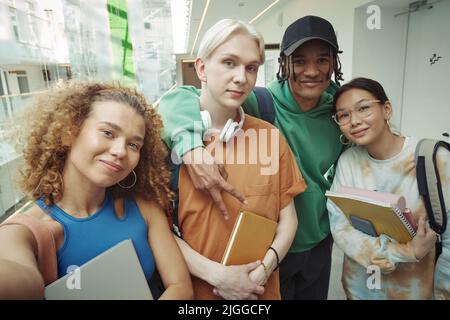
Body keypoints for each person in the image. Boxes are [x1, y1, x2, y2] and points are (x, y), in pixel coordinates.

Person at [158, 15, 344, 299]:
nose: (311, 71)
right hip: (228, 272)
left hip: (308, 245)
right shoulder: (261, 102)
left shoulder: (339, 113)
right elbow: (180, 97)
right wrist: (191, 149)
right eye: (229, 62)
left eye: (322, 60)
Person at [0, 81, 193, 299]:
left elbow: (181, 287)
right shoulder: (26, 231)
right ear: (68, 132)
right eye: (108, 133)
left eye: (133, 145)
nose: (120, 151)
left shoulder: (143, 207)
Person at [327, 77, 449, 299]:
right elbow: (340, 227)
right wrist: (405, 251)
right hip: (359, 289)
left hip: (415, 290)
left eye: (363, 108)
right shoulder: (348, 161)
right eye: (344, 115)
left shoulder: (435, 159)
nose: (354, 121)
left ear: (386, 109)